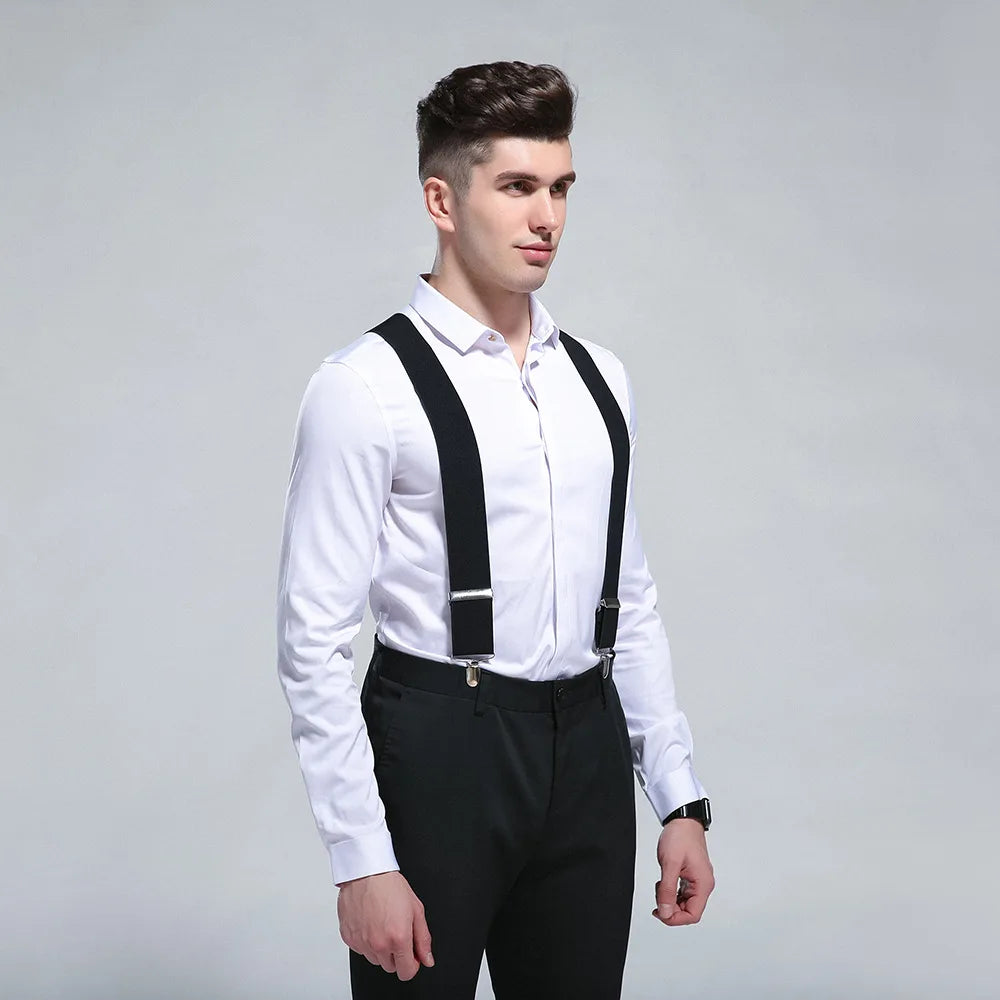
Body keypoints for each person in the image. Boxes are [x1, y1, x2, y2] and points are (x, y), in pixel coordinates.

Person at [276, 60, 715, 999]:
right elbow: (313, 642)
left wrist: (678, 797)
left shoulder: (599, 378)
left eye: (560, 187)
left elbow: (629, 600)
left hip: (587, 749)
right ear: (442, 199)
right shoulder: (363, 389)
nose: (546, 217)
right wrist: (361, 859)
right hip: (442, 750)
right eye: (517, 187)